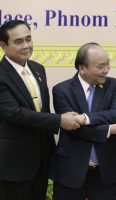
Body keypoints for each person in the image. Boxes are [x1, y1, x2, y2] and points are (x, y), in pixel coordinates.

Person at [0, 20, 82, 200]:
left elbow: (41, 109)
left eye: (28, 39)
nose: (26, 45)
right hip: (15, 163)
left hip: (42, 159)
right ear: (3, 46)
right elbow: (14, 113)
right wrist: (59, 120)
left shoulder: (38, 68)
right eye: (19, 41)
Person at [50, 42, 116, 200]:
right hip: (70, 170)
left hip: (105, 171)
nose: (106, 70)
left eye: (108, 64)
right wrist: (111, 130)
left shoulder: (114, 85)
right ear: (82, 68)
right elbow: (73, 128)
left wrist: (85, 118)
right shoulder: (62, 90)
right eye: (100, 66)